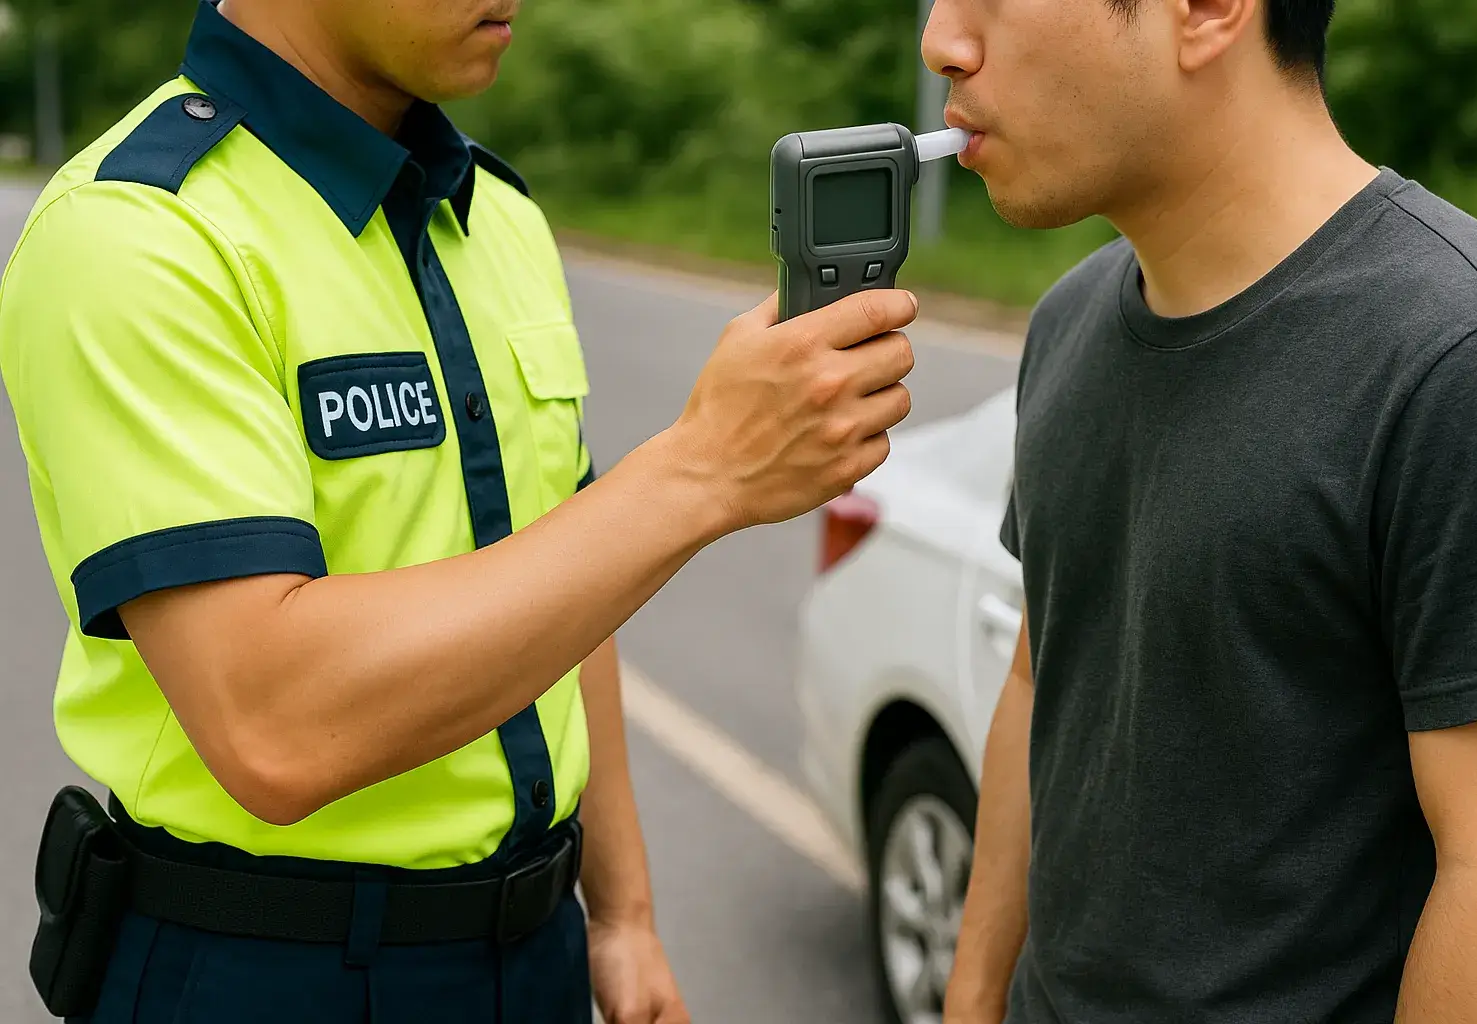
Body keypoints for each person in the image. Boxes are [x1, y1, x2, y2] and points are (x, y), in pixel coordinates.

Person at [0, 1, 917, 1021]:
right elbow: (274, 726)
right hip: (266, 967)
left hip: (539, 950)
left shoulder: (498, 214)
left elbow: (565, 583)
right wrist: (700, 472)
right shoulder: (141, 235)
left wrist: (622, 915)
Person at [922, 0, 1477, 1021]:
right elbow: (1041, 676)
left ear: (1206, 11)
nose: (943, 39)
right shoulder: (1070, 322)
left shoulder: (1466, 357)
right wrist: (974, 997)